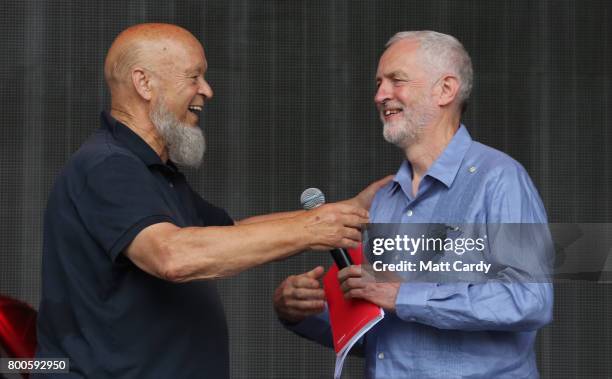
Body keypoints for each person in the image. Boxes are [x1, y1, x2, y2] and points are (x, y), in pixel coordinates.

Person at [35, 23, 389, 378]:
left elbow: (229, 232)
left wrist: (346, 211)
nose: (207, 90)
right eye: (194, 76)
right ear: (144, 83)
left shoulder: (153, 170)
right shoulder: (108, 165)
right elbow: (172, 255)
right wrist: (312, 229)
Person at [274, 31, 553, 378]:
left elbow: (528, 300)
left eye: (396, 80)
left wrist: (403, 296)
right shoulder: (383, 200)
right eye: (378, 83)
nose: (379, 95)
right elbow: (385, 338)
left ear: (445, 90)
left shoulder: (499, 180)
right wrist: (303, 313)